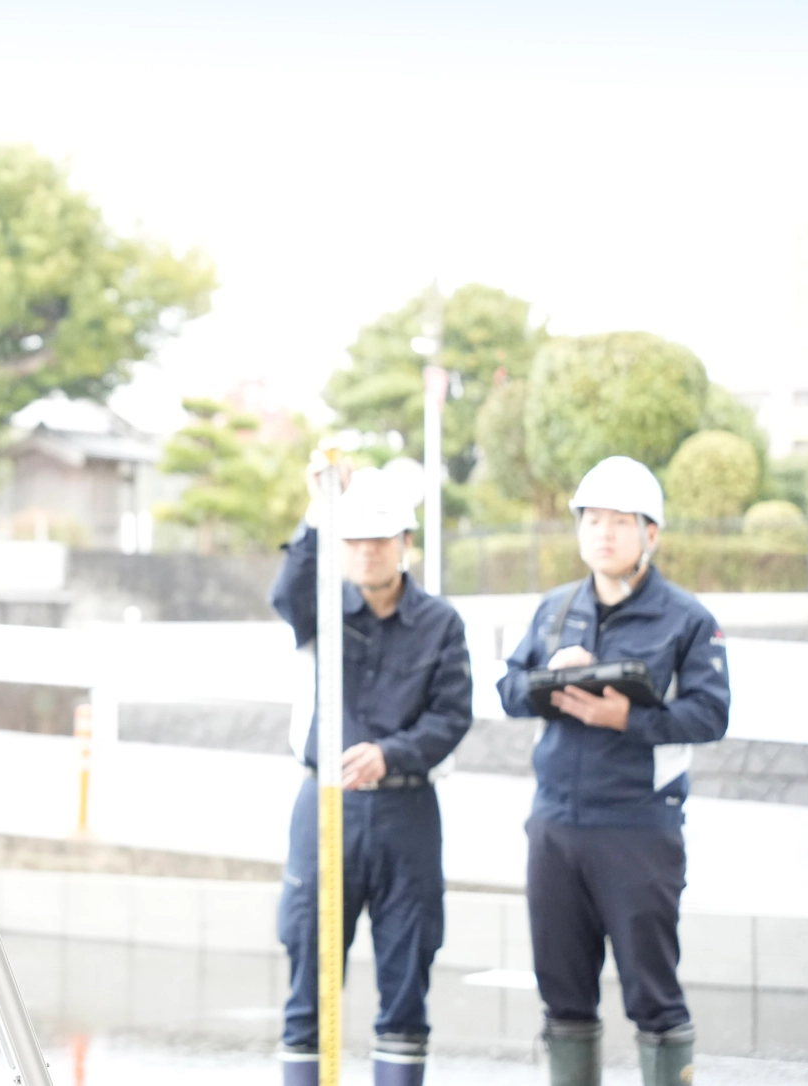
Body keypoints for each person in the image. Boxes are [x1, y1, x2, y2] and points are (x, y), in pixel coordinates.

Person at [497, 456, 728, 1086]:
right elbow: (508, 691)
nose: (603, 533)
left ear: (651, 534)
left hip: (638, 825)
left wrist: (627, 719)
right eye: (592, 520)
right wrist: (550, 676)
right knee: (564, 996)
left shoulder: (687, 619)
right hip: (555, 825)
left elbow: (711, 714)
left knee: (652, 994)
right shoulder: (553, 609)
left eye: (621, 521)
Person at [271, 458, 474, 1086]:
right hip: (323, 804)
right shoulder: (322, 611)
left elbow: (452, 716)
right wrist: (318, 508)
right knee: (309, 968)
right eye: (353, 539)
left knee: (407, 976)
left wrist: (393, 754)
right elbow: (286, 593)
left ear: (405, 545)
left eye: (380, 539)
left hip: (406, 811)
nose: (366, 551)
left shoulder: (440, 622)